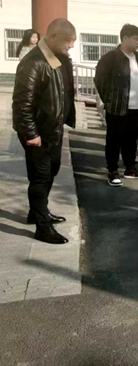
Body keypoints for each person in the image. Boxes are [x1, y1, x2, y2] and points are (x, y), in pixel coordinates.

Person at [12, 19, 76, 244]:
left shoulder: (57, 58)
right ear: (53, 36)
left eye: (73, 41)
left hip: (52, 129)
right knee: (40, 178)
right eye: (68, 41)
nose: (71, 46)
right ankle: (43, 227)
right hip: (38, 132)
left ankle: (37, 212)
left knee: (51, 171)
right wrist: (31, 134)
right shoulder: (34, 62)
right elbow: (22, 104)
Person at [95, 24, 138, 186]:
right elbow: (100, 80)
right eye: (136, 39)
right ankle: (112, 170)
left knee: (131, 139)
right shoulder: (111, 58)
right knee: (114, 140)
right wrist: (110, 100)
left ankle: (130, 168)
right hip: (117, 107)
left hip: (135, 106)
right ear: (125, 38)